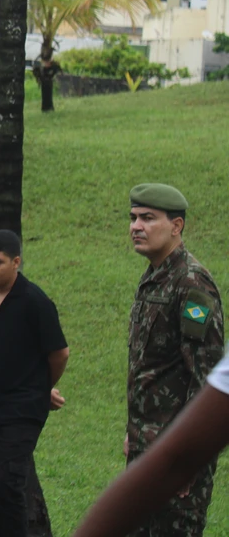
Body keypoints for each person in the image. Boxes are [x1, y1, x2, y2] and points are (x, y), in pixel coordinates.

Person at [121, 183, 222, 536]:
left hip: (177, 455)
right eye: (133, 218)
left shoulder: (192, 284)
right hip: (147, 447)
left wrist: (188, 459)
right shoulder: (154, 277)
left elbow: (208, 379)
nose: (136, 226)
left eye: (148, 218)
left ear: (176, 226)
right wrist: (133, 433)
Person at [73, 349, 229, 537]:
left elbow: (203, 372)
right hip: (149, 441)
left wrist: (185, 459)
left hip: (173, 451)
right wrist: (134, 427)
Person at [0, 229, 69, 537]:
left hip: (23, 409)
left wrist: (41, 388)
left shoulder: (35, 302)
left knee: (9, 484)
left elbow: (59, 353)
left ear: (16, 262)